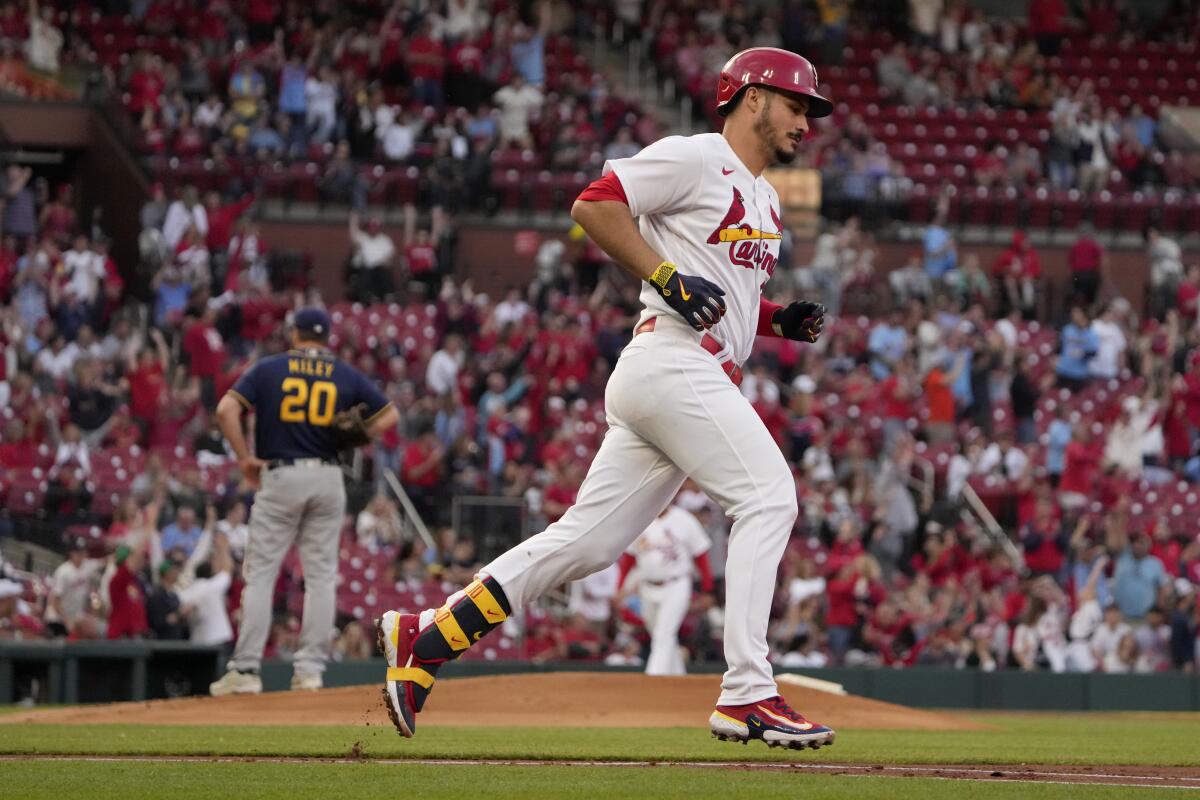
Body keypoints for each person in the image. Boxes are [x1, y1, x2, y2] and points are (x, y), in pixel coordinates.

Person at [376, 47, 835, 750]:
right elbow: (593, 205)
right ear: (750, 99)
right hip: (673, 360)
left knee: (586, 545)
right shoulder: (693, 158)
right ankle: (748, 692)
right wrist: (665, 273)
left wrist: (775, 320)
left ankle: (429, 639)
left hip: (687, 371)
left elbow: (725, 292)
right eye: (795, 104)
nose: (806, 120)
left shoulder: (767, 195)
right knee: (769, 497)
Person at [209, 307, 399, 695]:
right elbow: (389, 416)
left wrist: (245, 457)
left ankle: (246, 670)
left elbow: (226, 409)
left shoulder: (269, 368)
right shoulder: (343, 372)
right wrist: (356, 435)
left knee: (261, 574)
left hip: (281, 474)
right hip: (328, 476)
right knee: (321, 577)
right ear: (326, 337)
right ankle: (310, 671)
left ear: (294, 334)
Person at [616, 502, 714, 676]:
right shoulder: (639, 517)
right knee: (660, 634)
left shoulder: (684, 520)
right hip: (647, 586)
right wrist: (620, 586)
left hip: (676, 584)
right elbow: (629, 557)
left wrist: (707, 590)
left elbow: (701, 555)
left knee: (663, 633)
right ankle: (678, 675)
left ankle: (654, 677)